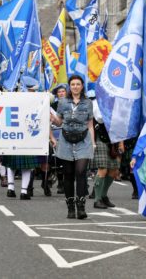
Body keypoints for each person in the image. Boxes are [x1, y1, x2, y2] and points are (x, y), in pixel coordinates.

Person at [50, 75, 95, 219]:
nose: (75, 86)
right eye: (73, 84)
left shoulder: (88, 103)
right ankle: (70, 206)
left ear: (82, 86)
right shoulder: (63, 102)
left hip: (83, 141)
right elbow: (58, 122)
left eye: (78, 84)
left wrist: (93, 143)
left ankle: (81, 207)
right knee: (68, 174)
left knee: (81, 172)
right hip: (66, 140)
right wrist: (51, 116)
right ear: (70, 87)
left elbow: (90, 124)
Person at [3, 76, 42, 200]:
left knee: (15, 164)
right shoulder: (27, 100)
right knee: (19, 164)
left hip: (17, 135)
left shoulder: (12, 99)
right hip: (22, 136)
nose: (34, 92)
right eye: (32, 90)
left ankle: (13, 189)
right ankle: (20, 190)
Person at [90, 94, 121, 209]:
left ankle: (103, 196)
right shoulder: (95, 102)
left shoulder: (117, 103)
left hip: (114, 139)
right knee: (102, 169)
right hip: (100, 138)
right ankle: (97, 199)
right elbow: (100, 118)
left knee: (113, 170)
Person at [50, 83, 67, 194]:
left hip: (68, 133)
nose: (61, 93)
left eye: (63, 91)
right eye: (59, 92)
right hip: (55, 133)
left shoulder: (71, 104)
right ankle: (60, 182)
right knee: (58, 160)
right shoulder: (53, 106)